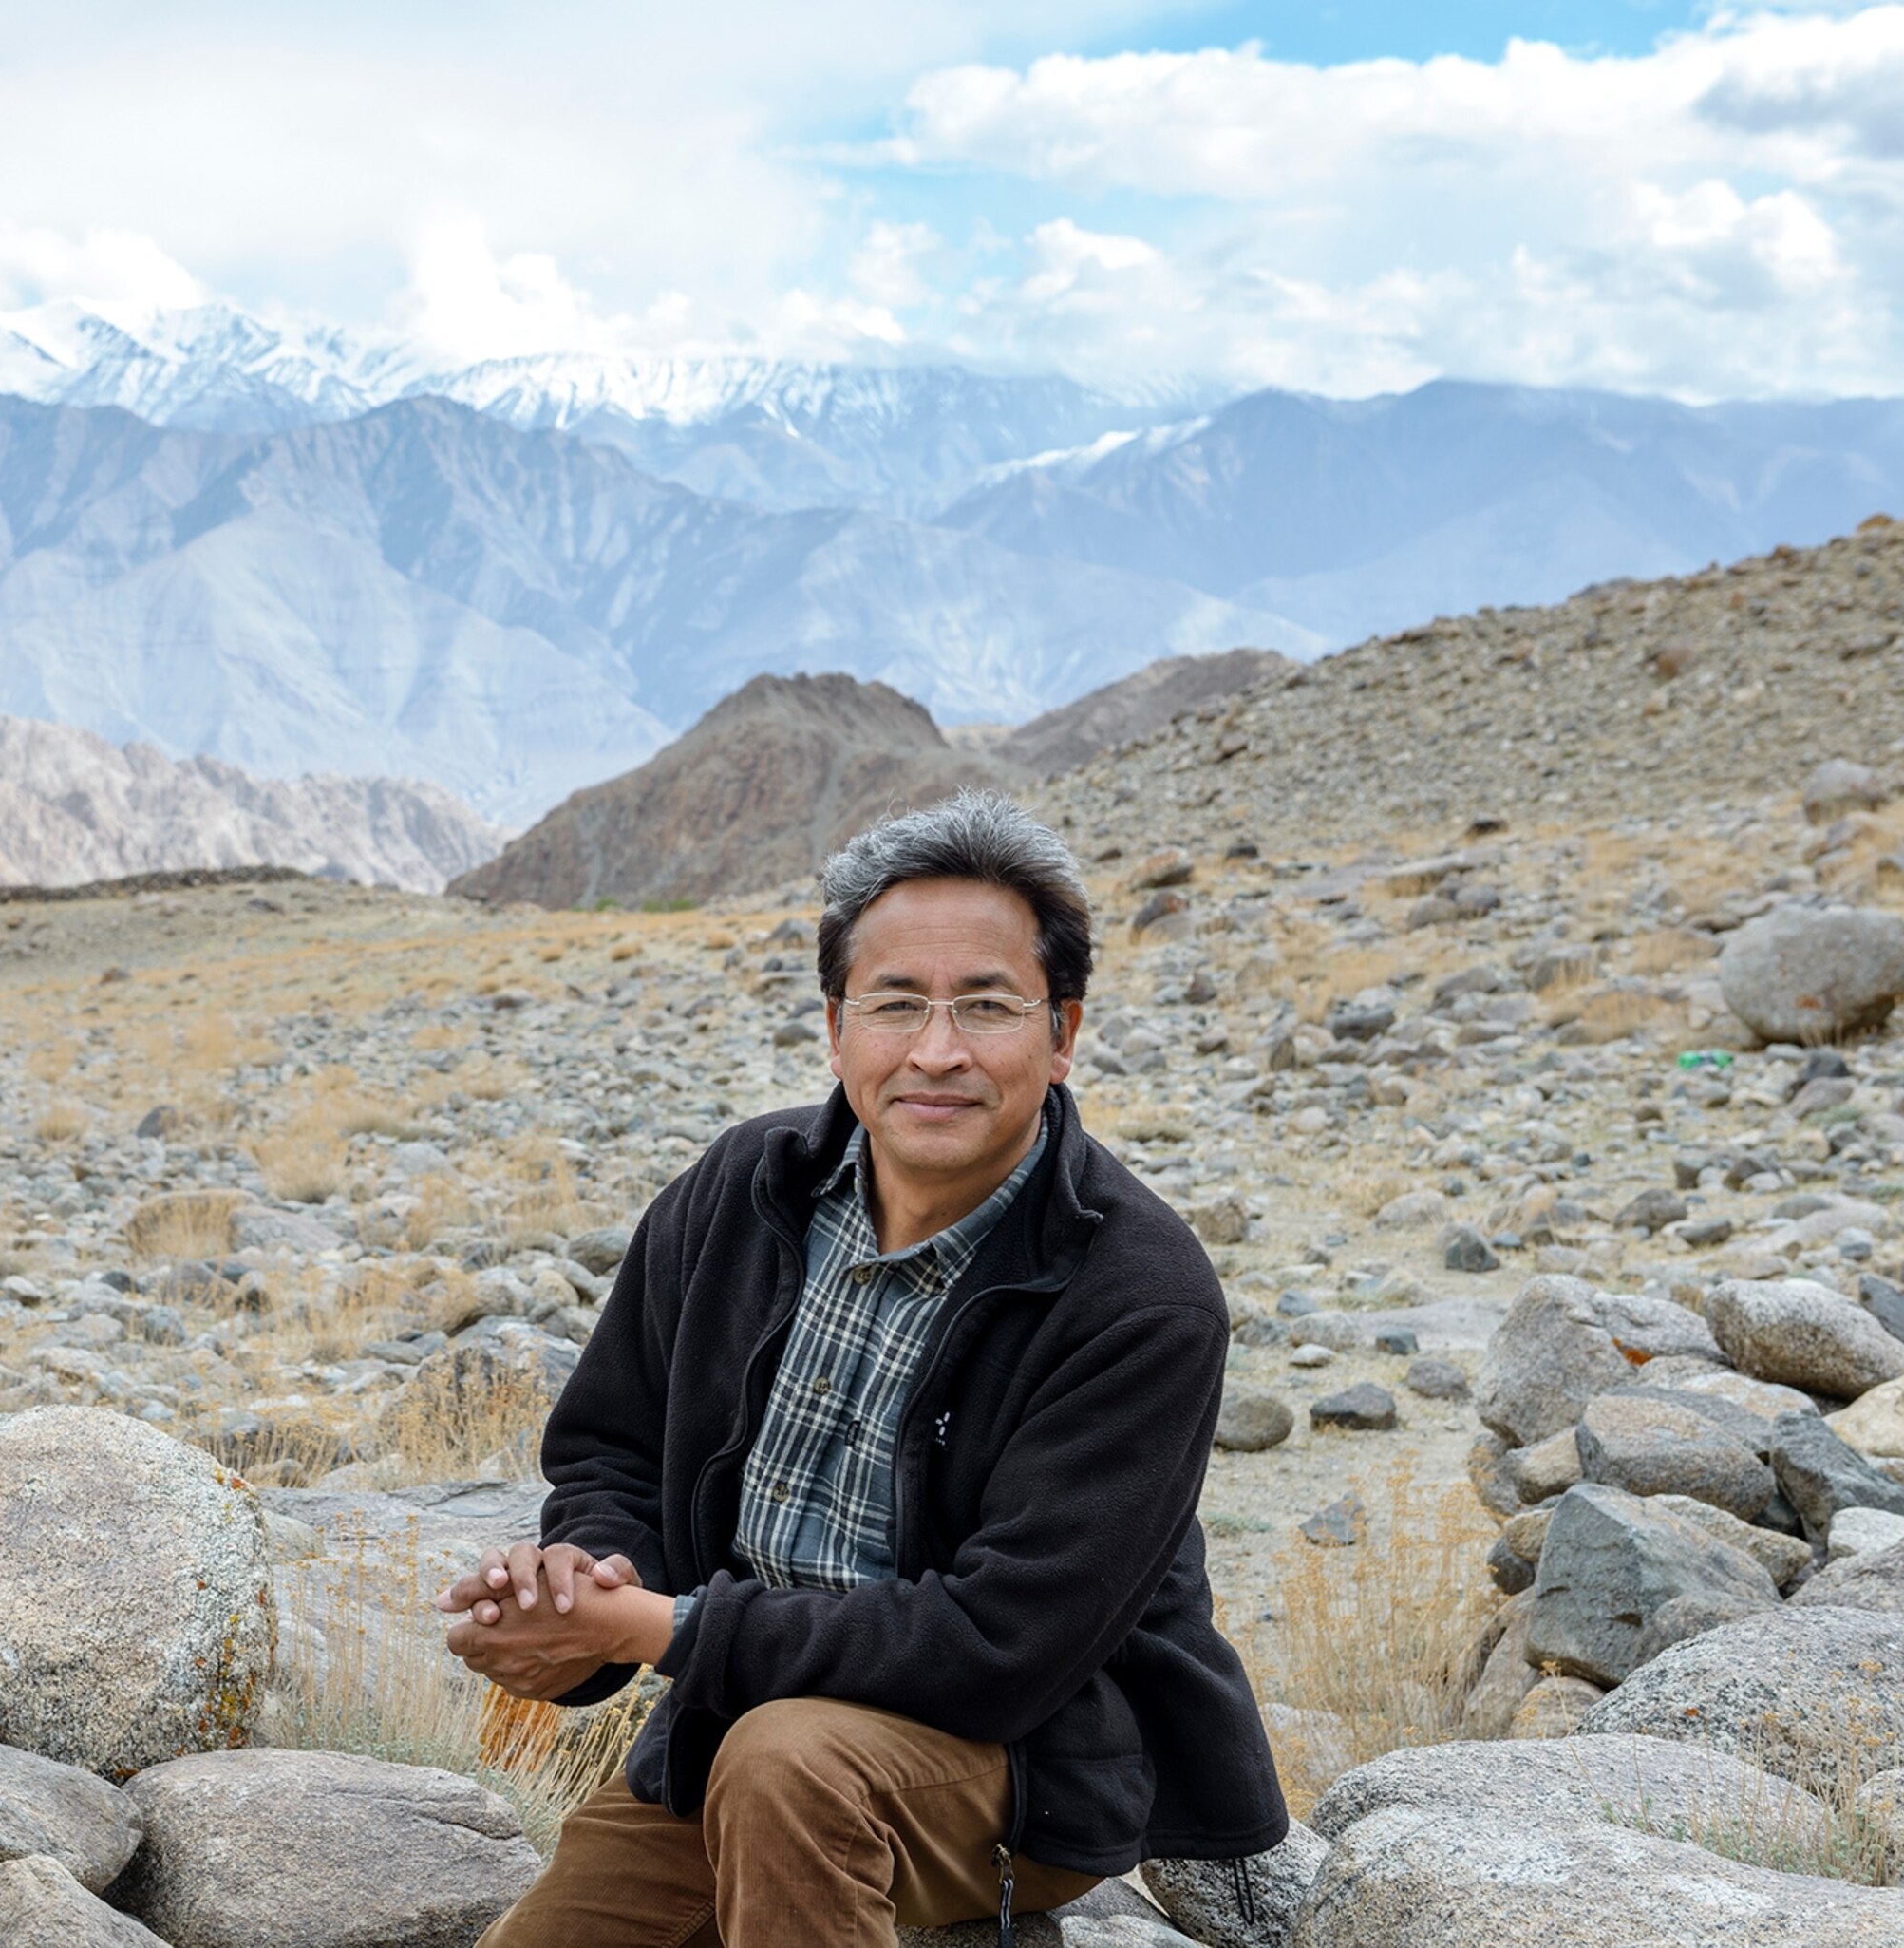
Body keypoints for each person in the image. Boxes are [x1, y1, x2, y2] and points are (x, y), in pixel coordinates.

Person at [438, 793, 1286, 1948]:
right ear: (838, 1028)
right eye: (897, 1004)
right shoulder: (744, 1187)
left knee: (791, 1763)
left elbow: (1003, 1646)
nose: (937, 1050)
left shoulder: (1138, 1290)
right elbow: (612, 1444)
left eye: (986, 1005)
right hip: (732, 1733)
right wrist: (583, 1586)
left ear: (1063, 1030)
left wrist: (657, 1629)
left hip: (1014, 1763)